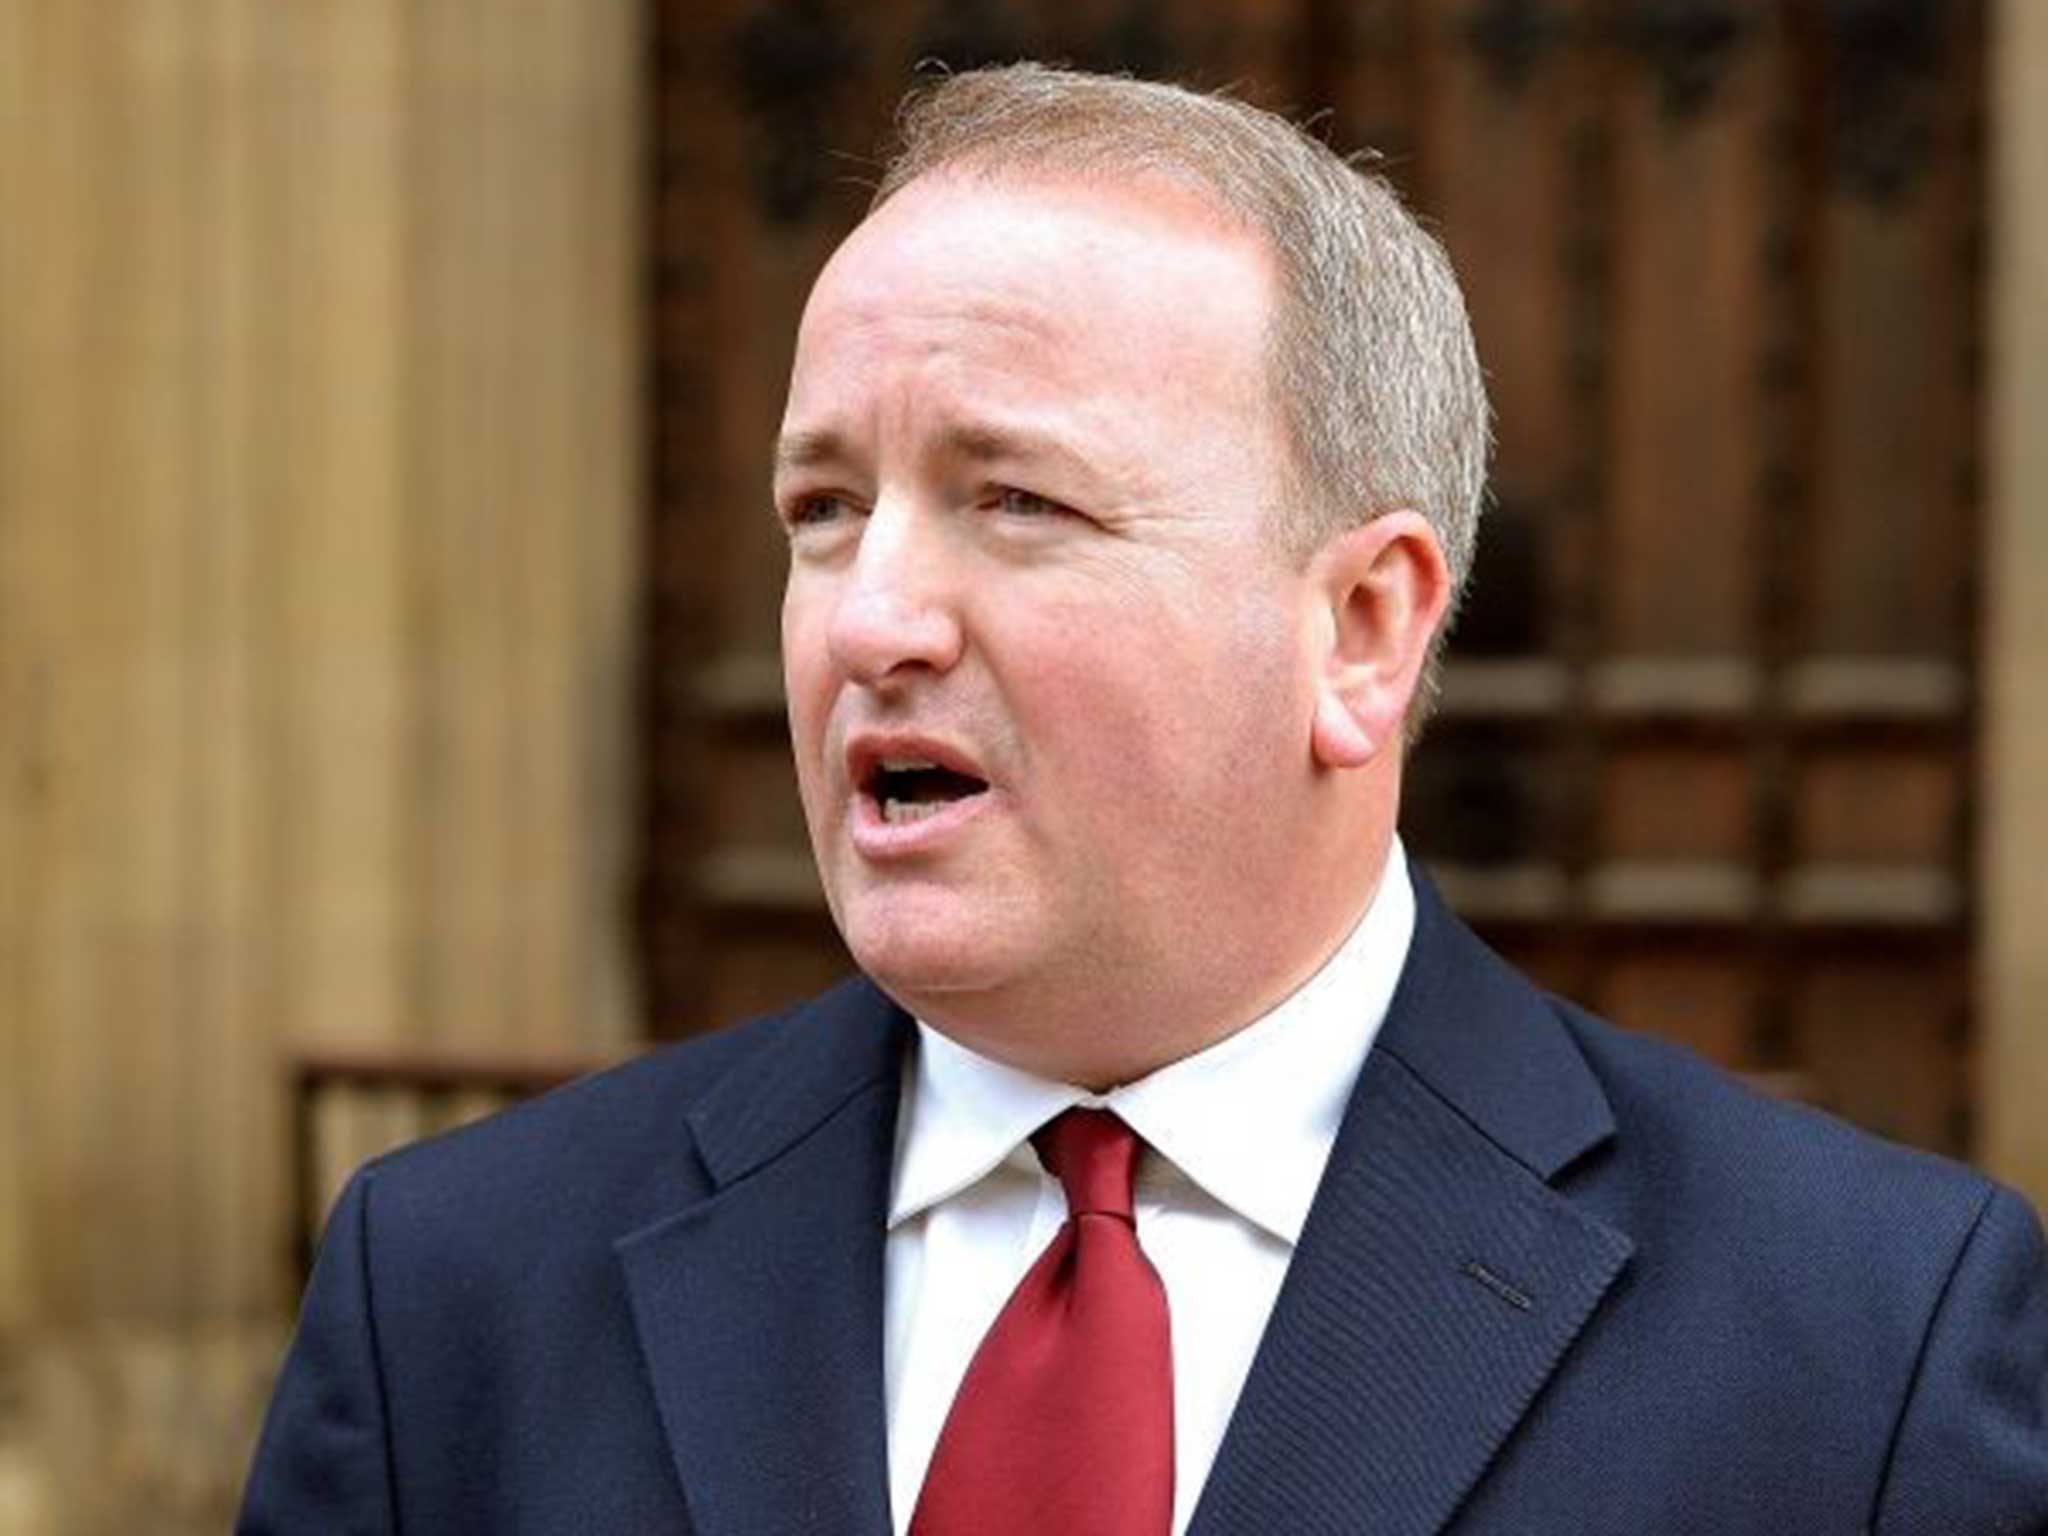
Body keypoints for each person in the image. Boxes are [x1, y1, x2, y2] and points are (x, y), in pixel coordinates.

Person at [239, 64, 2048, 1535]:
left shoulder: (1862, 1338)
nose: (868, 617)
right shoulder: (455, 1291)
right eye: (822, 510)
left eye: (1016, 501)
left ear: (1360, 631)